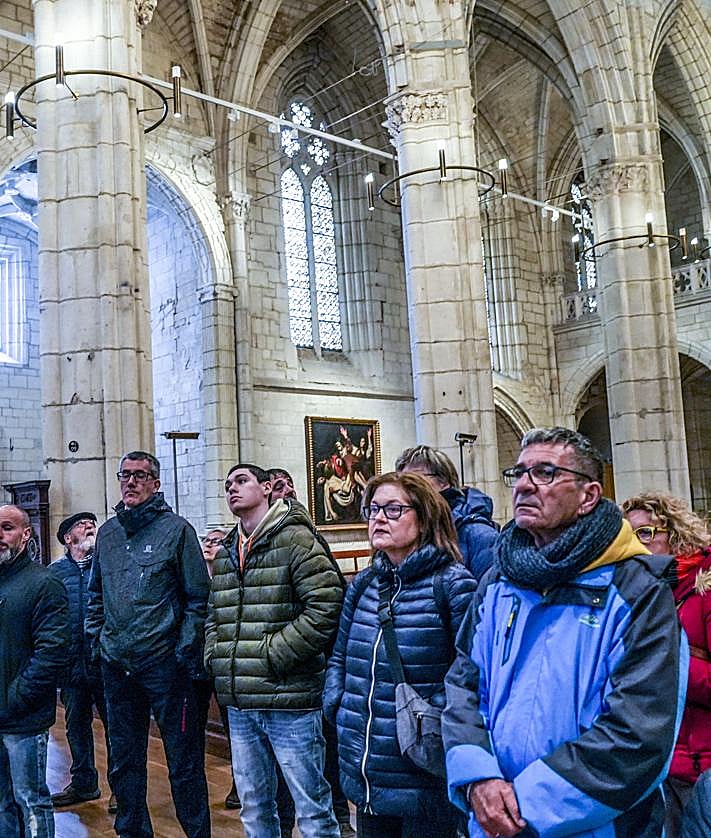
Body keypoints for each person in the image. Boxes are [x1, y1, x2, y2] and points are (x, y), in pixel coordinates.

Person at [442, 427, 686, 838]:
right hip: (491, 816)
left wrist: (522, 806)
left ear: (589, 496)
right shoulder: (499, 580)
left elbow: (638, 734)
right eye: (519, 473)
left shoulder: (638, 591)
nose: (523, 485)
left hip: (592, 824)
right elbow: (463, 684)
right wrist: (479, 779)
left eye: (545, 473)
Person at [324, 471, 477, 838]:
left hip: (421, 769)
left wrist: (431, 715)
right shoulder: (364, 584)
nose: (378, 518)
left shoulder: (452, 584)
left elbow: (472, 671)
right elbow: (340, 657)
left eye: (393, 509)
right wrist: (339, 703)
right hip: (367, 768)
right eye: (373, 508)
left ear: (424, 517)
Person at [205, 463, 344, 838]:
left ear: (267, 488)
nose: (232, 488)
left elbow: (326, 604)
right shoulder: (227, 553)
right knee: (254, 807)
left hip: (290, 699)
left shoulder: (296, 539)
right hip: (240, 701)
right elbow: (214, 614)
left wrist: (272, 654)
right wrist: (216, 657)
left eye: (241, 480)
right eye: (227, 483)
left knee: (312, 809)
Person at [86, 451, 211, 838]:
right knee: (124, 761)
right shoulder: (107, 534)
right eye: (125, 475)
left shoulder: (177, 530)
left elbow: (198, 598)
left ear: (156, 484)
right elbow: (95, 597)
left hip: (166, 666)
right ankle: (132, 831)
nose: (131, 482)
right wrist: (98, 641)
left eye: (140, 476)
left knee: (183, 762)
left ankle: (197, 832)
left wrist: (183, 651)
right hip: (117, 665)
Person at [266, 466, 356, 837]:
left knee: (327, 752)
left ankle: (339, 819)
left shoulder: (308, 535)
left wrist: (288, 648)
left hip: (315, 662)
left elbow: (327, 601)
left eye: (288, 483)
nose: (285, 489)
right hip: (281, 674)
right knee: (284, 765)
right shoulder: (257, 541)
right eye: (275, 485)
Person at [622, 492, 711, 838]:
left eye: (646, 533)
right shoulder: (639, 595)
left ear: (674, 533)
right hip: (659, 765)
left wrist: (670, 661)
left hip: (702, 766)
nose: (638, 545)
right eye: (629, 536)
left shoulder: (703, 588)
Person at [0, 504, 71, 838]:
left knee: (30, 800)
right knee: (1, 804)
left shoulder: (45, 583)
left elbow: (52, 653)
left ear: (26, 535)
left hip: (22, 717)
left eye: (7, 528)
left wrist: (17, 697)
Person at [49, 512, 116, 814]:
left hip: (104, 662)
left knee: (117, 728)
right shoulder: (55, 573)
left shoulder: (107, 566)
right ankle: (84, 782)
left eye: (92, 523)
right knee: (76, 726)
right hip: (71, 665)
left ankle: (121, 788)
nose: (90, 527)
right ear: (67, 538)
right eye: (81, 525)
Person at [395, 445, 498, 579]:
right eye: (403, 482)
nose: (407, 490)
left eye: (415, 480)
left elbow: (488, 593)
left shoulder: (479, 535)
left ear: (443, 482)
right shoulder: (410, 529)